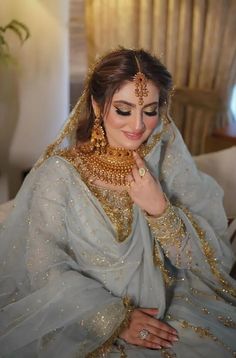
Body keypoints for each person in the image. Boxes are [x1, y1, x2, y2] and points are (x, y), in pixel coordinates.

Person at [0, 48, 235, 358]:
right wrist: (115, 320)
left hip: (171, 308)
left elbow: (202, 259)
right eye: (124, 110)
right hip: (82, 319)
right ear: (98, 106)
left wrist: (159, 209)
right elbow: (44, 270)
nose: (138, 125)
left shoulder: (164, 162)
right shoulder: (60, 174)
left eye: (150, 110)